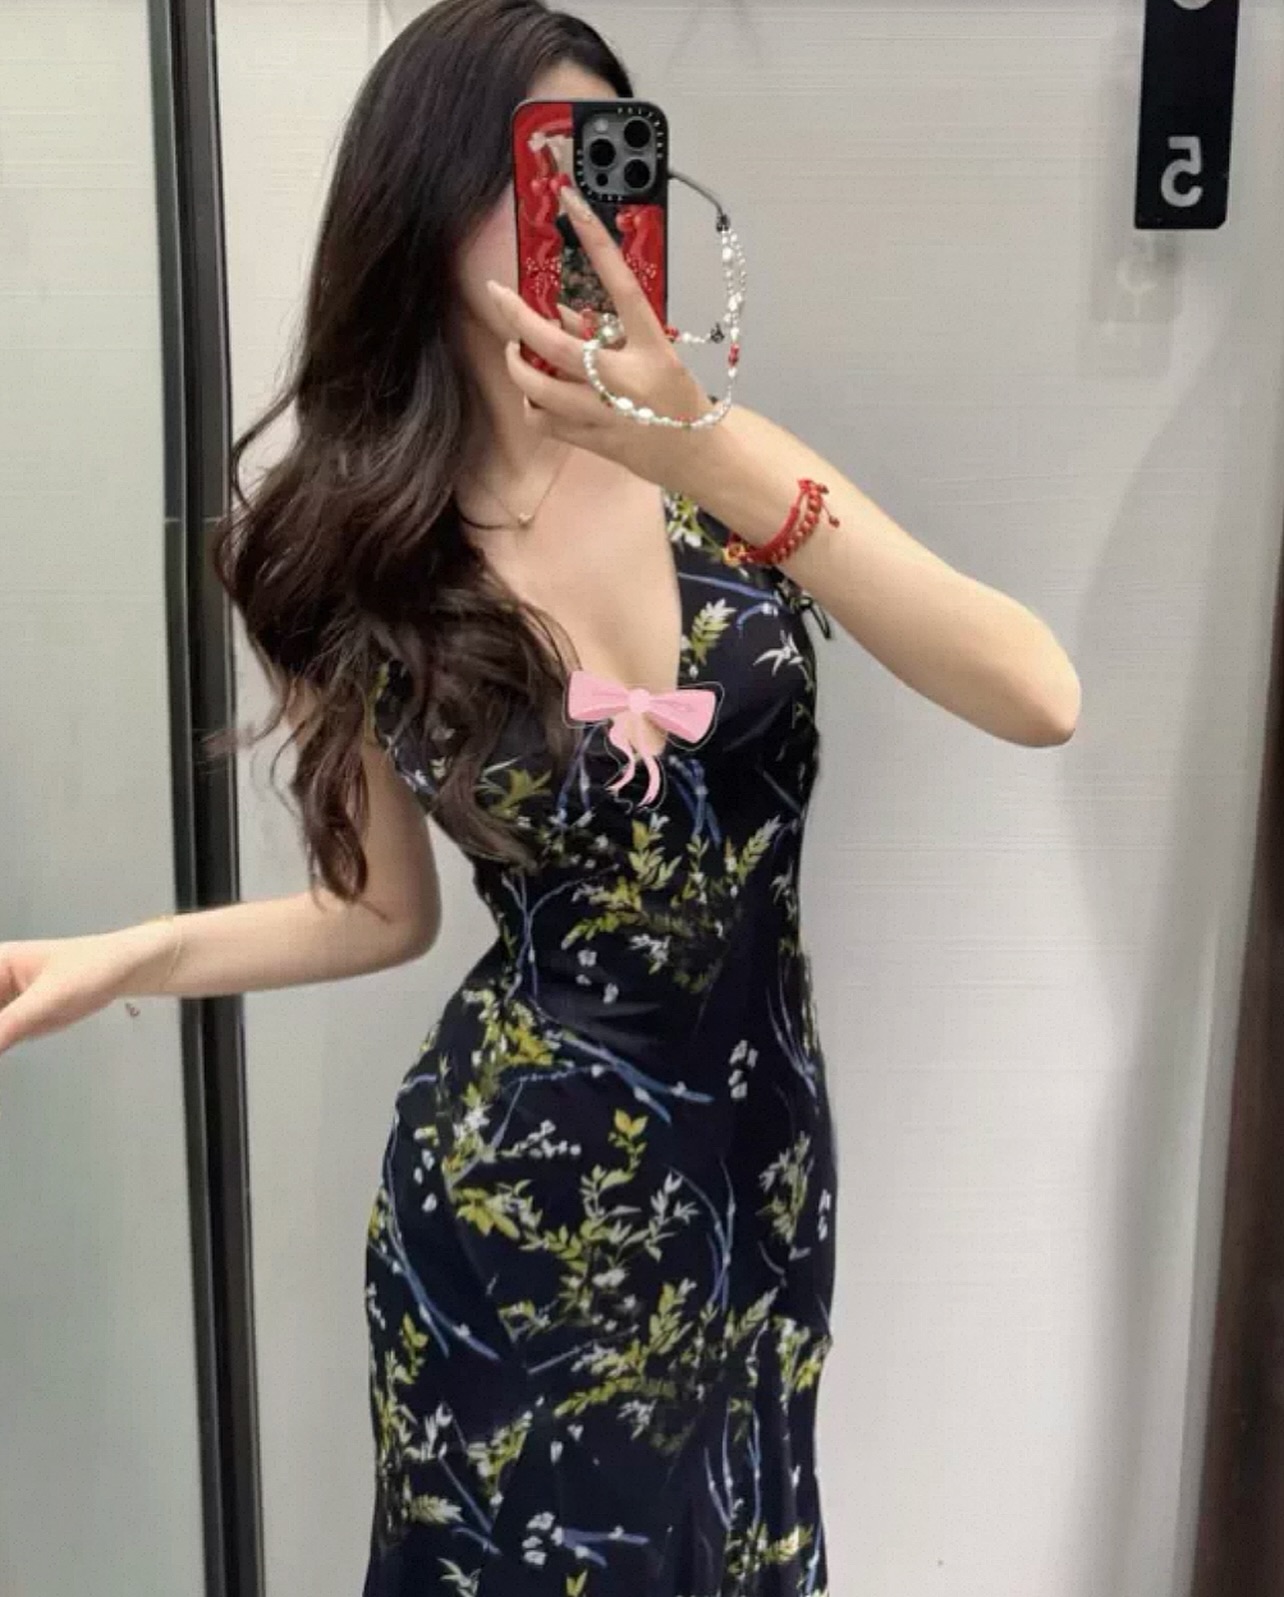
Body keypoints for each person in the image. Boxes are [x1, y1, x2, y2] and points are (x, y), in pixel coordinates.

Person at [0, 1, 1080, 1592]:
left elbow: (1037, 691)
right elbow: (381, 914)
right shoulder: (360, 552)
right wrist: (128, 959)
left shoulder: (724, 462)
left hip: (757, 1172)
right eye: (536, 169)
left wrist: (701, 448)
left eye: (606, 166)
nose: (577, 210)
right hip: (518, 1202)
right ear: (427, 210)